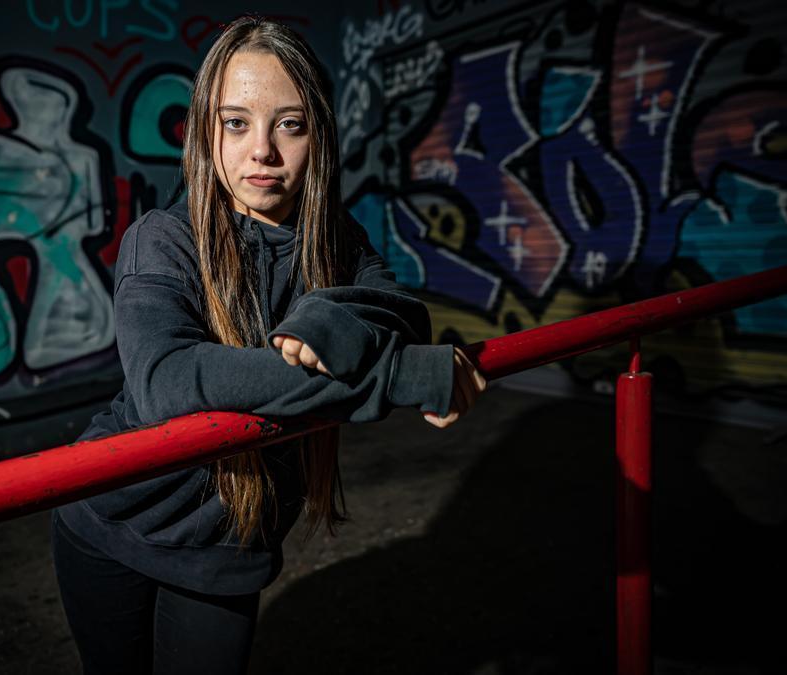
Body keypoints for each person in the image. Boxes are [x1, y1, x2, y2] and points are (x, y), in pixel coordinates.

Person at [51, 16, 486, 675]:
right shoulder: (163, 239)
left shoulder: (335, 240)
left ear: (318, 136)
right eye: (236, 123)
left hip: (227, 544)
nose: (263, 151)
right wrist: (393, 375)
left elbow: (398, 312)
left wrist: (331, 317)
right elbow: (167, 380)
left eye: (289, 123)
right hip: (110, 523)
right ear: (205, 131)